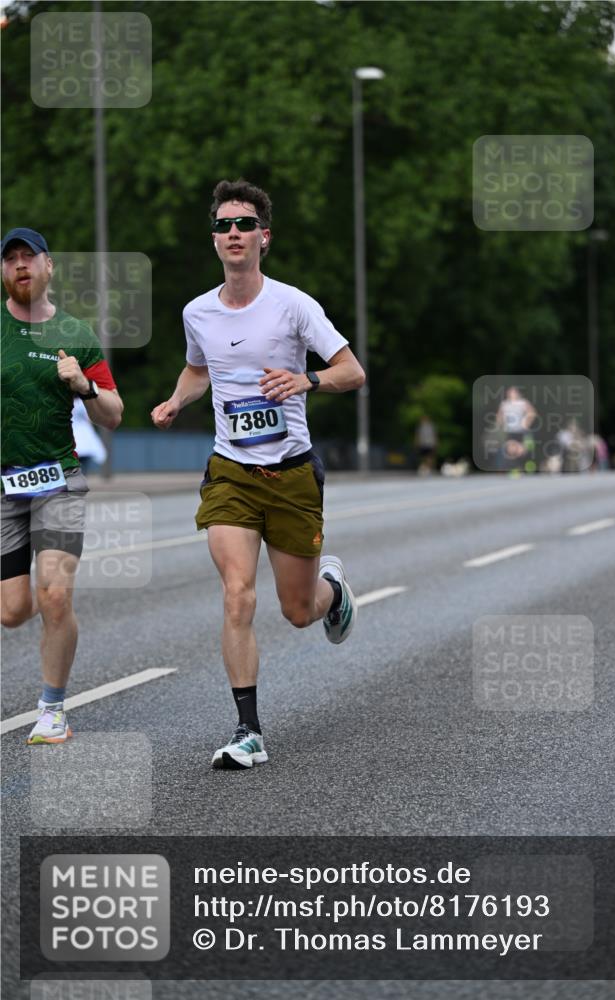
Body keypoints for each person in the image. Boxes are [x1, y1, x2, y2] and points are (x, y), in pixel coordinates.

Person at [151, 179, 365, 771]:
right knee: (237, 594)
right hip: (231, 473)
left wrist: (307, 380)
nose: (233, 234)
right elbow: (200, 370)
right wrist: (176, 401)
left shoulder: (294, 305)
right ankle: (249, 731)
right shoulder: (198, 310)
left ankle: (334, 589)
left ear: (263, 237)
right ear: (215, 240)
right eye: (223, 226)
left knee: (297, 611)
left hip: (292, 472)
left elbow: (352, 371)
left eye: (244, 224)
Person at [1, 228, 123, 744]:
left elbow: (113, 414)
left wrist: (85, 386)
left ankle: (52, 708)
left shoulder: (76, 335)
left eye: (30, 257)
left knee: (54, 596)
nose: (20, 266)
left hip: (59, 483)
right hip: (5, 488)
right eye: (11, 260)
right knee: (11, 612)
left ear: (49, 267)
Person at [496, 386, 537, 475]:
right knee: (511, 450)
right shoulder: (504, 404)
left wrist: (526, 423)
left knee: (522, 450)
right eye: (510, 392)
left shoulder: (522, 403)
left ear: (517, 393)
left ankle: (527, 466)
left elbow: (532, 413)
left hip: (520, 430)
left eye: (514, 392)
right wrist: (501, 423)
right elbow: (499, 415)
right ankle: (514, 468)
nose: (512, 394)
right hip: (509, 431)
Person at [71, 397, 108, 473]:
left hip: (72, 436)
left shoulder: (63, 402)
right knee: (83, 466)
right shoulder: (82, 404)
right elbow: (90, 418)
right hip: (84, 438)